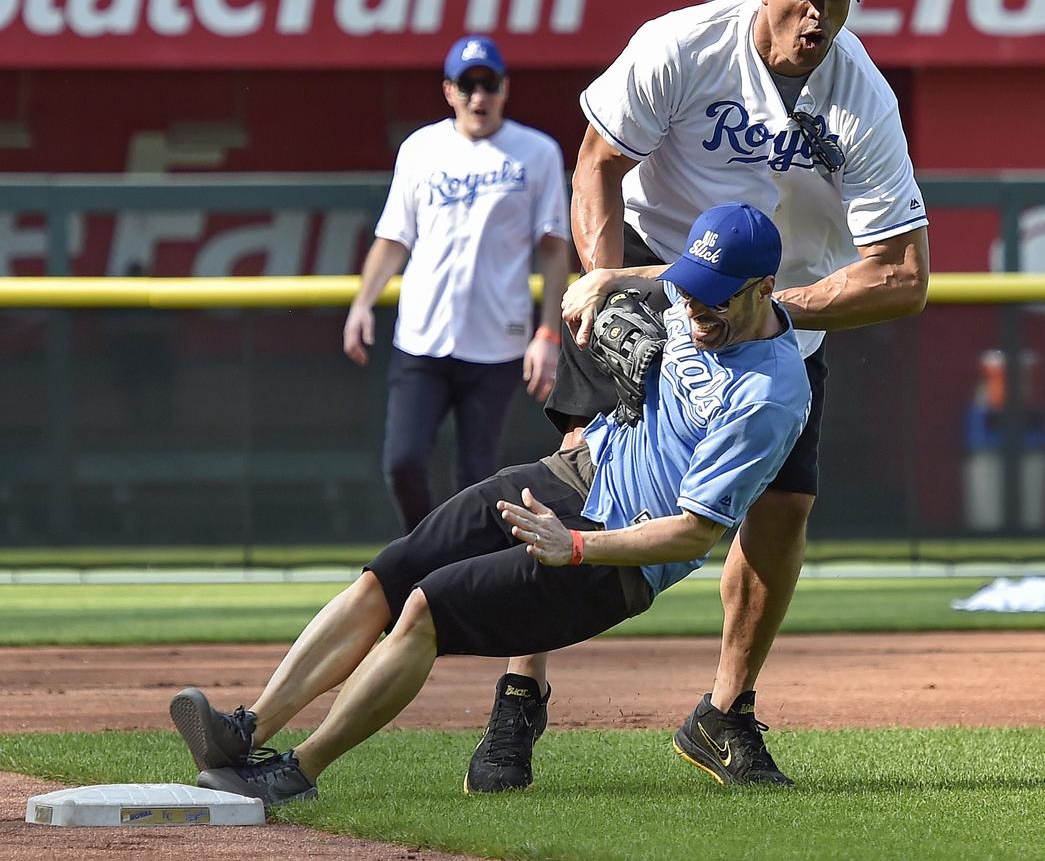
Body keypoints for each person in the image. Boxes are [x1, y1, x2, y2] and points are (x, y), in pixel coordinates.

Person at [468, 0, 930, 790]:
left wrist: (765, 307)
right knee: (582, 473)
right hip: (653, 271)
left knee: (782, 512)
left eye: (836, 0)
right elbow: (598, 160)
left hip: (772, 312)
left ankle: (724, 713)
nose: (818, 18)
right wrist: (603, 295)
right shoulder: (683, 46)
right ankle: (520, 695)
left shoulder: (862, 96)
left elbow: (904, 274)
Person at [168, 202, 811, 806]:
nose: (693, 306)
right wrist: (608, 278)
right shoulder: (697, 293)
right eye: (689, 287)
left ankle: (297, 771)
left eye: (713, 295)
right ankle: (247, 730)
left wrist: (576, 547)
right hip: (572, 474)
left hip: (615, 555)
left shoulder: (767, 397)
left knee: (429, 608)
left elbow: (694, 534)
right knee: (392, 574)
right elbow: (661, 284)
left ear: (763, 288)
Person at [343, 34, 570, 534]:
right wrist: (362, 303)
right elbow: (394, 238)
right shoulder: (421, 148)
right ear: (448, 90)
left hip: (497, 342)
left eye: (488, 84)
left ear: (505, 88)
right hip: (422, 337)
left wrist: (548, 334)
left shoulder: (536, 153)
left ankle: (460, 576)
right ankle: (423, 551)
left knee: (476, 477)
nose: (478, 97)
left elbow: (554, 249)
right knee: (402, 462)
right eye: (467, 85)